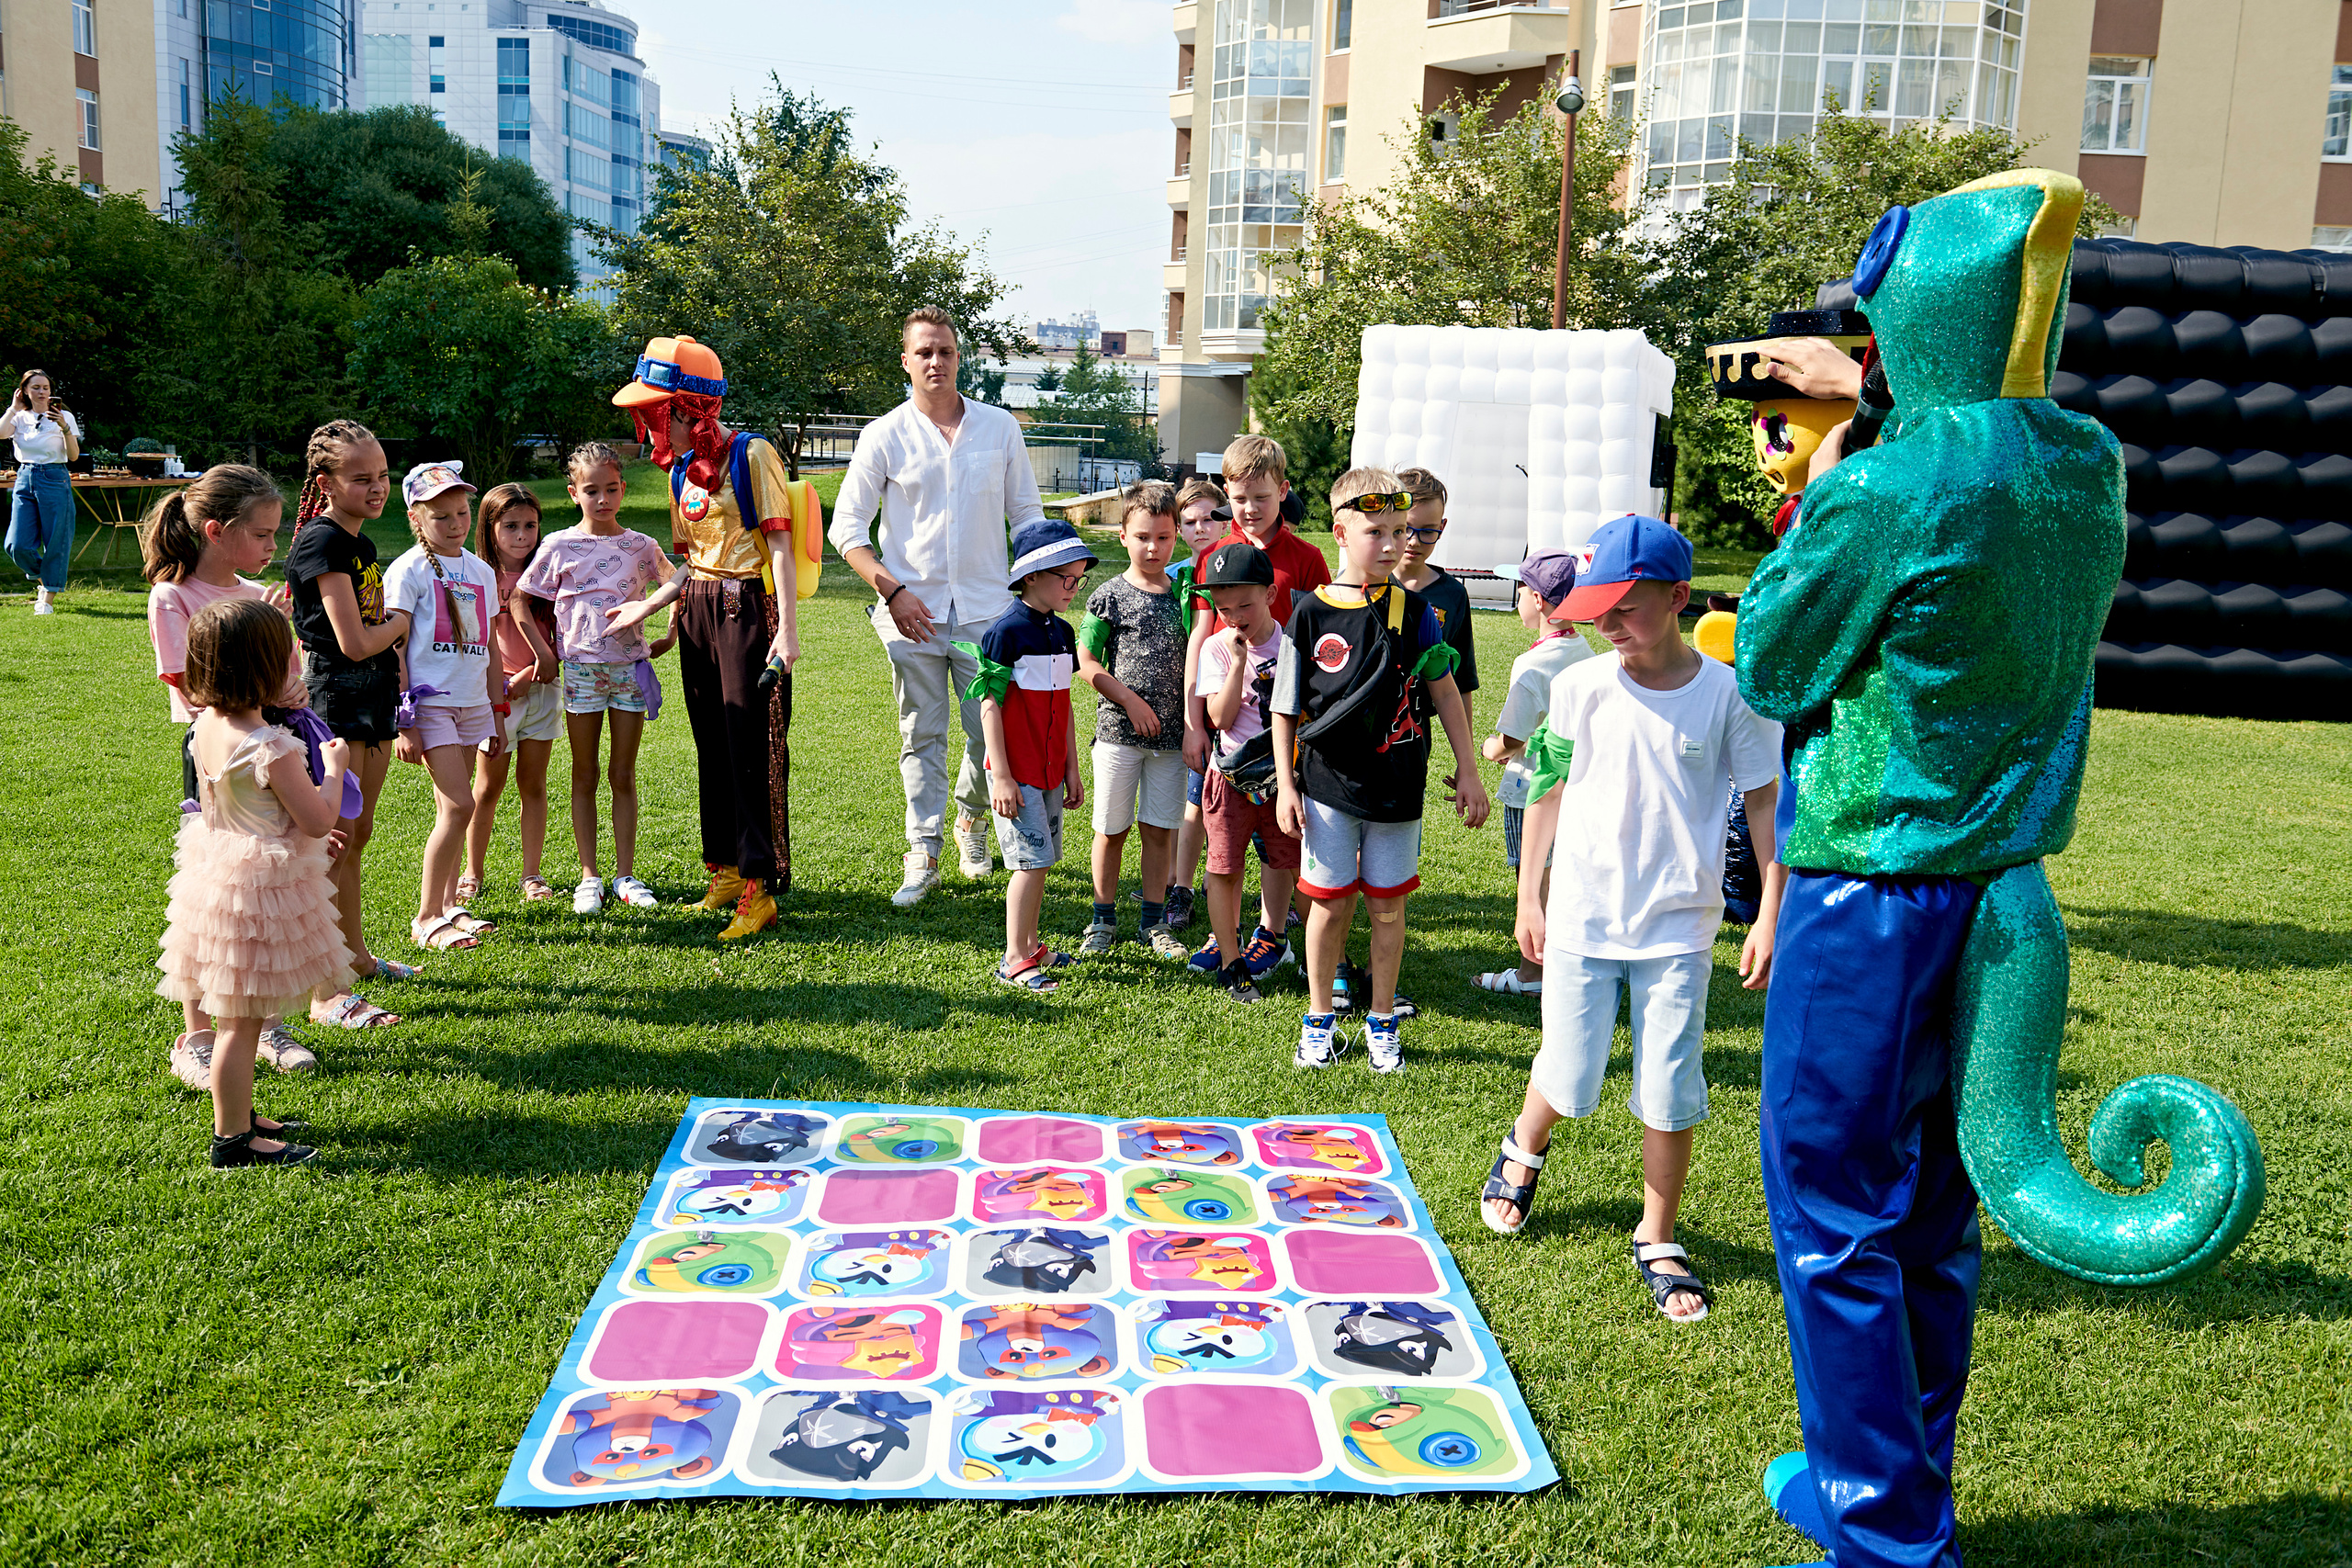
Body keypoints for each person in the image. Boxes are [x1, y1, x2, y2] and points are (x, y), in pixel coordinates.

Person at [1485, 514, 1783, 1328]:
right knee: (1572, 1072)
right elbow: (1544, 785)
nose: (1609, 623)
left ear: (1679, 596)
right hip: (1582, 917)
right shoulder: (1580, 686)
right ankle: (1524, 1143)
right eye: (1597, 608)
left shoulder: (1730, 695)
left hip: (1680, 929)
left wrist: (1769, 909)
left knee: (1669, 1088)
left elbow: (1764, 802)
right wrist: (1530, 894)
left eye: (1626, 605)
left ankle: (1655, 1235)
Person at [1272, 468, 1489, 1075]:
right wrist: (1287, 786)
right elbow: (1284, 705)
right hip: (1326, 788)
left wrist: (1469, 769)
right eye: (1378, 531)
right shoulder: (1310, 614)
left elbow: (1445, 691)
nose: (1394, 543)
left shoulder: (1418, 612)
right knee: (1330, 907)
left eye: (1402, 530)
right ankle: (1319, 1020)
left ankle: (1382, 1018)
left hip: (1399, 788)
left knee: (1388, 909)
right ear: (1341, 531)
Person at [830, 305, 1048, 908]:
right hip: (909, 613)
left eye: (945, 351)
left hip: (987, 611)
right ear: (905, 361)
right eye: (923, 351)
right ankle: (922, 851)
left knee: (989, 735)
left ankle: (971, 819)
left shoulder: (1000, 427)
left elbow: (1026, 514)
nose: (935, 361)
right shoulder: (884, 435)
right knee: (920, 733)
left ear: (958, 358)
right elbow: (846, 529)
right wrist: (891, 591)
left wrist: (1039, 582)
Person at [605, 336, 804, 940]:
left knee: (750, 745)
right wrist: (656, 607)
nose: (645, 423)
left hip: (746, 609)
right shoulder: (681, 471)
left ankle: (759, 885)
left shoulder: (752, 454)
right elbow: (689, 561)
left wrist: (788, 629)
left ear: (687, 408)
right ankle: (723, 867)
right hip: (698, 609)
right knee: (712, 742)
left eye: (654, 410)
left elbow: (779, 547)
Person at [156, 599, 356, 1168]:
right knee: (241, 1025)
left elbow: (244, 811)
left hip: (219, 873)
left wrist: (305, 835)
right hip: (261, 892)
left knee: (232, 1018)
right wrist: (336, 767)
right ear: (266, 668)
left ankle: (238, 1117)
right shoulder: (272, 745)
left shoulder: (204, 728)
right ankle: (233, 1142)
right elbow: (319, 817)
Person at [141, 463, 321, 1087]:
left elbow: (291, 684)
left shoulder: (254, 594)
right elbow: (194, 691)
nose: (274, 548)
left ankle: (260, 1021)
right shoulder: (174, 597)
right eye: (264, 535)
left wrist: (280, 656)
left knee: (267, 891)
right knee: (216, 894)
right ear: (217, 530)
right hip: (219, 756)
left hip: (272, 743)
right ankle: (197, 1034)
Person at [1322, 464, 1481, 1016]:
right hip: (1338, 768)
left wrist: (1468, 765)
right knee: (1339, 879)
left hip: (1405, 755)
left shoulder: (1445, 600)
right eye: (1399, 528)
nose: (1409, 542)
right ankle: (1338, 971)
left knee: (1387, 884)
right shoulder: (1332, 599)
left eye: (1425, 531)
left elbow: (1454, 686)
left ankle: (1378, 980)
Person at [1182, 435, 1329, 979]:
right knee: (1225, 837)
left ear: (1282, 492)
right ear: (1226, 494)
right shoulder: (1213, 558)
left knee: (1280, 842)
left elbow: (1323, 643)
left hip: (1288, 729)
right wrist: (1194, 723)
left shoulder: (1306, 559)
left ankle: (1273, 932)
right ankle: (1231, 939)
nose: (1249, 509)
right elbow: (1201, 638)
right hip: (1229, 714)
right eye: (1239, 498)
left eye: (1261, 498)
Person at [285, 419, 410, 1029]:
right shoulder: (323, 542)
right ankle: (323, 991)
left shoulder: (359, 543)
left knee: (355, 840)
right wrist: (401, 625)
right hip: (338, 698)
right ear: (326, 482)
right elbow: (355, 641)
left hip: (375, 698)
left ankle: (355, 956)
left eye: (383, 476)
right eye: (362, 478)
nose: (377, 487)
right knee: (330, 847)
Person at [515, 442, 676, 916]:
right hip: (582, 673)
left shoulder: (641, 546)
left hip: (630, 672)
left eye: (610, 489)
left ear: (623, 489)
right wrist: (545, 653)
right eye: (591, 490)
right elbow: (522, 599)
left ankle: (626, 875)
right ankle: (590, 876)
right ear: (573, 493)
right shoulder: (559, 545)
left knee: (622, 774)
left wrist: (667, 635)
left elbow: (679, 582)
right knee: (583, 774)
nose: (602, 499)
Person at [966, 520, 1093, 992]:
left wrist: (1072, 767)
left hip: (1050, 772)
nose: (1073, 589)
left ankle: (1033, 944)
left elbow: (1064, 705)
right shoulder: (1005, 633)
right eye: (1067, 579)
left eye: (1079, 580)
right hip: (1016, 774)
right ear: (1032, 576)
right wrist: (1000, 776)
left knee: (1043, 860)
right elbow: (989, 705)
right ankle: (1013, 958)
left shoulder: (1062, 632)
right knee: (1029, 863)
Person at [386, 461, 504, 953]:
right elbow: (395, 648)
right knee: (460, 805)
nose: (456, 524)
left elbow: (492, 646)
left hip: (474, 703)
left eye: (462, 512)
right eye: (442, 517)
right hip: (430, 706)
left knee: (449, 809)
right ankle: (426, 917)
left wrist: (496, 711)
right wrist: (404, 721)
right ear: (416, 517)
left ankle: (452, 904)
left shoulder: (480, 571)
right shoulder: (407, 570)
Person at [1074, 480, 1190, 959]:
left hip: (1173, 739)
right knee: (1111, 828)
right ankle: (1102, 919)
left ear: (1176, 535)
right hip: (1118, 735)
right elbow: (1087, 660)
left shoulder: (1186, 593)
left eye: (1163, 537)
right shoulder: (1108, 595)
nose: (1153, 547)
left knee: (1159, 830)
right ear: (1123, 535)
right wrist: (1131, 702)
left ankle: (1154, 921)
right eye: (1142, 536)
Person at [1471, 550, 1593, 998]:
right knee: (1562, 875)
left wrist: (1488, 750)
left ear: (1538, 600)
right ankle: (1562, 964)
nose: (1518, 597)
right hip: (1575, 786)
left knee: (1533, 878)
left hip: (1532, 790)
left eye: (1520, 589)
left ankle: (1531, 974)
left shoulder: (1531, 666)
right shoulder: (1583, 650)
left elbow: (1511, 739)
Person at [1192, 539, 1296, 1004]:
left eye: (1245, 605)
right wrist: (1238, 662)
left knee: (1282, 859)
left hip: (1281, 776)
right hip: (1230, 778)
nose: (1234, 616)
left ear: (1271, 595)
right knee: (1225, 865)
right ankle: (1231, 956)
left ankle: (1272, 936)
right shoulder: (1216, 648)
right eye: (1224, 607)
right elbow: (1220, 717)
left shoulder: (1294, 643)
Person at [464, 483, 561, 905]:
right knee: (487, 787)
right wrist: (501, 686)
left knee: (533, 785)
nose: (523, 535)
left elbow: (567, 635)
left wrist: (532, 674)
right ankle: (472, 872)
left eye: (531, 525)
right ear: (489, 528)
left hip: (542, 690)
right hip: (495, 696)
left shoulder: (549, 572)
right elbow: (473, 638)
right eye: (511, 526)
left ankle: (532, 874)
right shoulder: (475, 576)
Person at [1162, 477, 1227, 931]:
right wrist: (1191, 719)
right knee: (1191, 801)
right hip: (1193, 700)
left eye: (1210, 517)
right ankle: (1179, 887)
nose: (1201, 527)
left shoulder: (1244, 564)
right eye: (1190, 521)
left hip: (1246, 700)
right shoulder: (1174, 578)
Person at [6, 368, 81, 615]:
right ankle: (47, 577)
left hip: (54, 477)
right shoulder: (19, 417)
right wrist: (13, 408)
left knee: (56, 540)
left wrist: (64, 428)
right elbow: (0, 433)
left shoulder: (65, 416)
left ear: (52, 392)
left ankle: (46, 598)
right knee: (16, 545)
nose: (41, 392)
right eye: (35, 387)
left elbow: (73, 456)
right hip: (25, 477)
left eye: (46, 388)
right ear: (25, 391)